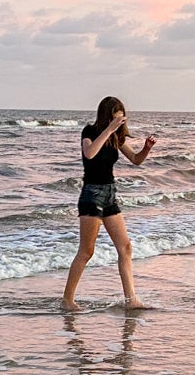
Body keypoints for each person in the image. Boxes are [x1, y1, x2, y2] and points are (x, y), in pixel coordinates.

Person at [62, 96, 156, 311]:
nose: (119, 121)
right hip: (91, 195)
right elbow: (90, 153)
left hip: (110, 195)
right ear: (107, 115)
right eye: (116, 117)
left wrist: (147, 148)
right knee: (87, 251)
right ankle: (67, 300)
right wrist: (108, 130)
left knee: (126, 248)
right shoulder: (90, 132)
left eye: (121, 117)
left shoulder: (117, 137)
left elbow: (136, 160)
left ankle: (131, 299)